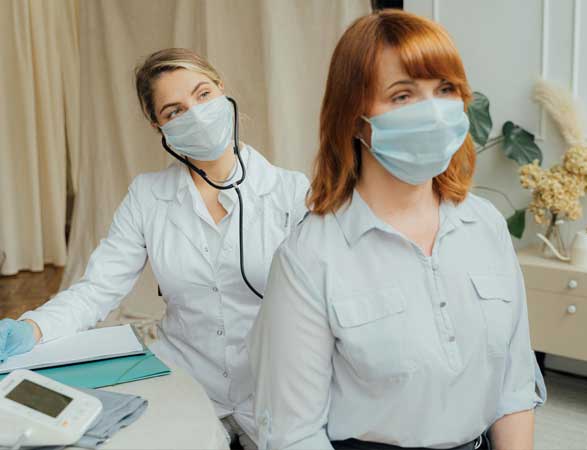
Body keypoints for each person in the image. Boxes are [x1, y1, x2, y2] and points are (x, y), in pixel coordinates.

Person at [248, 10, 546, 450]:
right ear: (354, 118)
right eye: (402, 95)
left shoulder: (484, 225)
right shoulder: (310, 257)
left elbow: (514, 388)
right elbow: (294, 435)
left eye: (445, 90)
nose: (433, 112)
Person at [0, 48, 309, 450]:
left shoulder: (291, 192)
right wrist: (32, 327)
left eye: (203, 95)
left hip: (273, 386)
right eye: (174, 110)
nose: (196, 115)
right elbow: (97, 290)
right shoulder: (147, 196)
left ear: (223, 92)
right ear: (158, 126)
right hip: (184, 378)